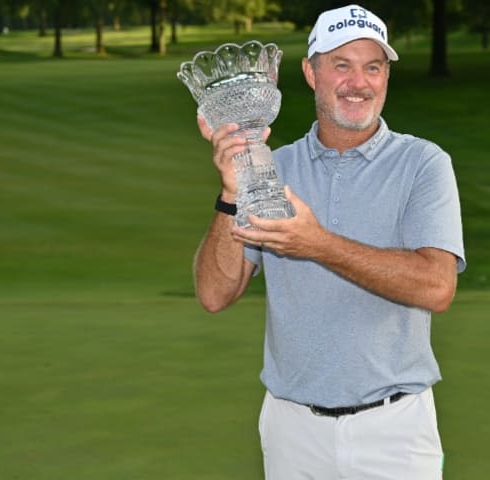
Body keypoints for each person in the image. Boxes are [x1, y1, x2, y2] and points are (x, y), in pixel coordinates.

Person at [193, 4, 466, 479]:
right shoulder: (271, 167)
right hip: (292, 431)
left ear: (385, 77)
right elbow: (215, 294)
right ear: (310, 72)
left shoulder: (424, 164)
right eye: (341, 65)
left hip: (396, 430)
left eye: (373, 67)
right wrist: (232, 192)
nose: (358, 82)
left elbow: (436, 287)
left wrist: (317, 243)